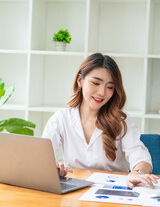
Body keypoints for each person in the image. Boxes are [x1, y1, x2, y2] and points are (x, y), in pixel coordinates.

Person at [42, 53, 159, 189]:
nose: (102, 93)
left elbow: (140, 156)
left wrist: (137, 172)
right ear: (80, 80)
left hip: (111, 192)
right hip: (74, 191)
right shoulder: (61, 118)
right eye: (96, 83)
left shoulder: (121, 121)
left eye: (109, 87)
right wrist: (52, 167)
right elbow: (41, 157)